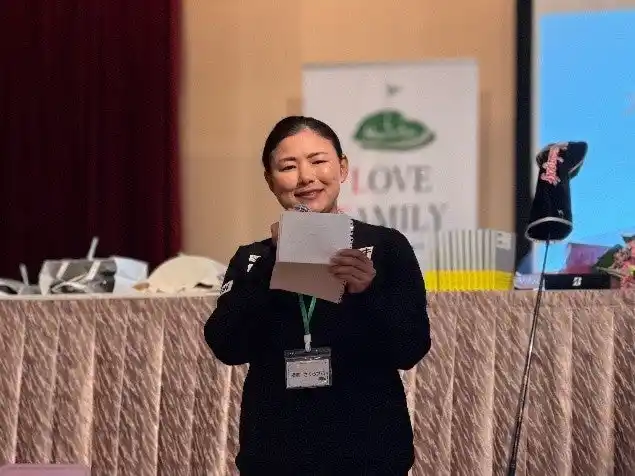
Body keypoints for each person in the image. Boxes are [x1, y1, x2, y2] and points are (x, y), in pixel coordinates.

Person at [204, 116, 431, 475]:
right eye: (288, 167)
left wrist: (369, 292)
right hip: (275, 453)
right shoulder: (254, 258)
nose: (306, 177)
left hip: (370, 450)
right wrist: (272, 265)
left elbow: (410, 349)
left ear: (342, 168)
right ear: (270, 180)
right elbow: (227, 347)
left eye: (318, 161)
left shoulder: (386, 246)